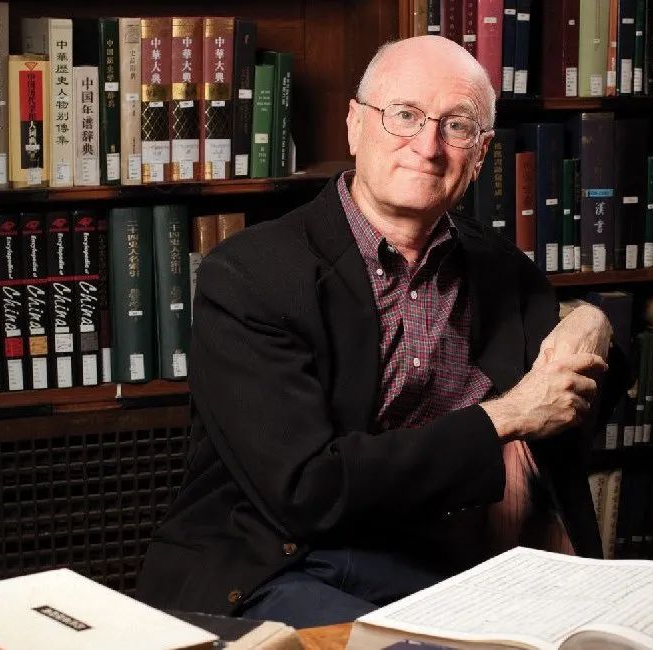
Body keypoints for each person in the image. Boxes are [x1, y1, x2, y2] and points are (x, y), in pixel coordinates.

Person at [136, 35, 622, 628]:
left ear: (480, 153)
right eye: (404, 115)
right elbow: (307, 492)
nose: (427, 147)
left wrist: (594, 319)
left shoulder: (502, 271)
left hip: (432, 560)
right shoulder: (248, 275)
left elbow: (571, 402)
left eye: (456, 126)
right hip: (279, 560)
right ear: (355, 125)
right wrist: (506, 416)